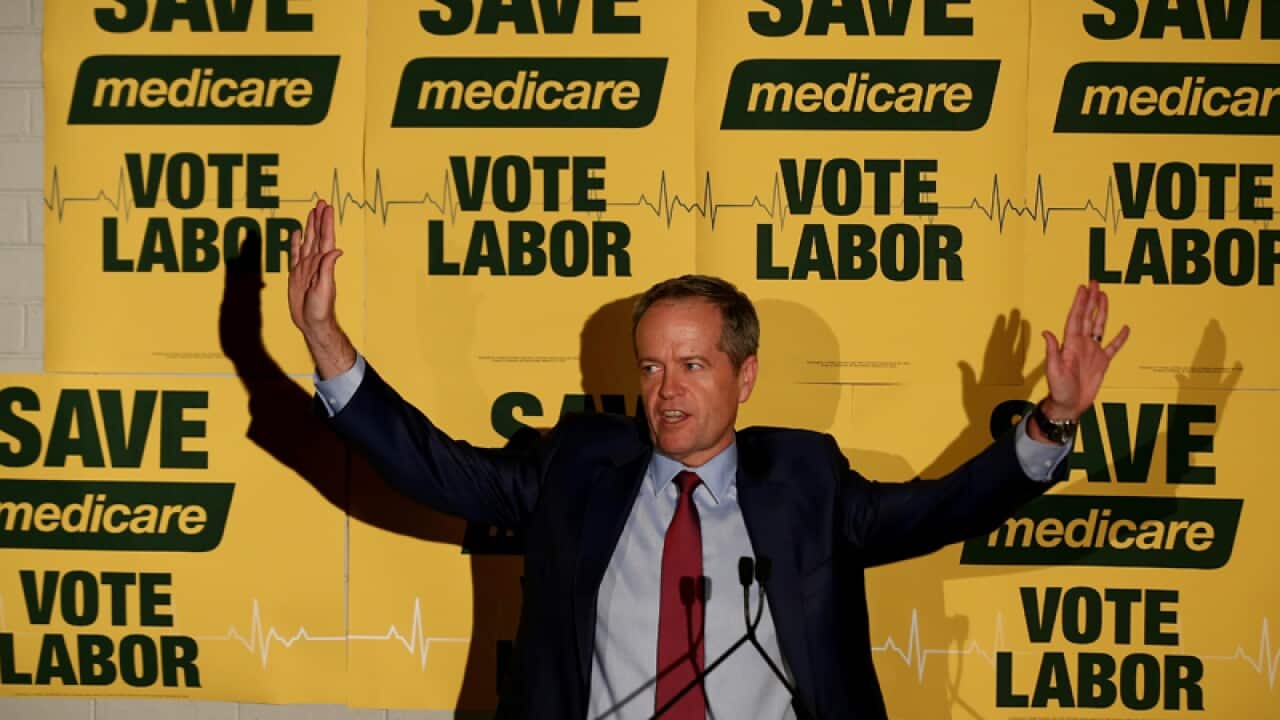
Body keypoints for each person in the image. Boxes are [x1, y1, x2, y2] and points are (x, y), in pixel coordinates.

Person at [287, 199, 1130, 719]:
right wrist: (324, 339)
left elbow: (941, 509)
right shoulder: (576, 467)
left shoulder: (806, 479)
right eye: (651, 366)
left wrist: (1052, 418)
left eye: (693, 365)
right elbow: (432, 466)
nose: (667, 390)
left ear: (745, 374)